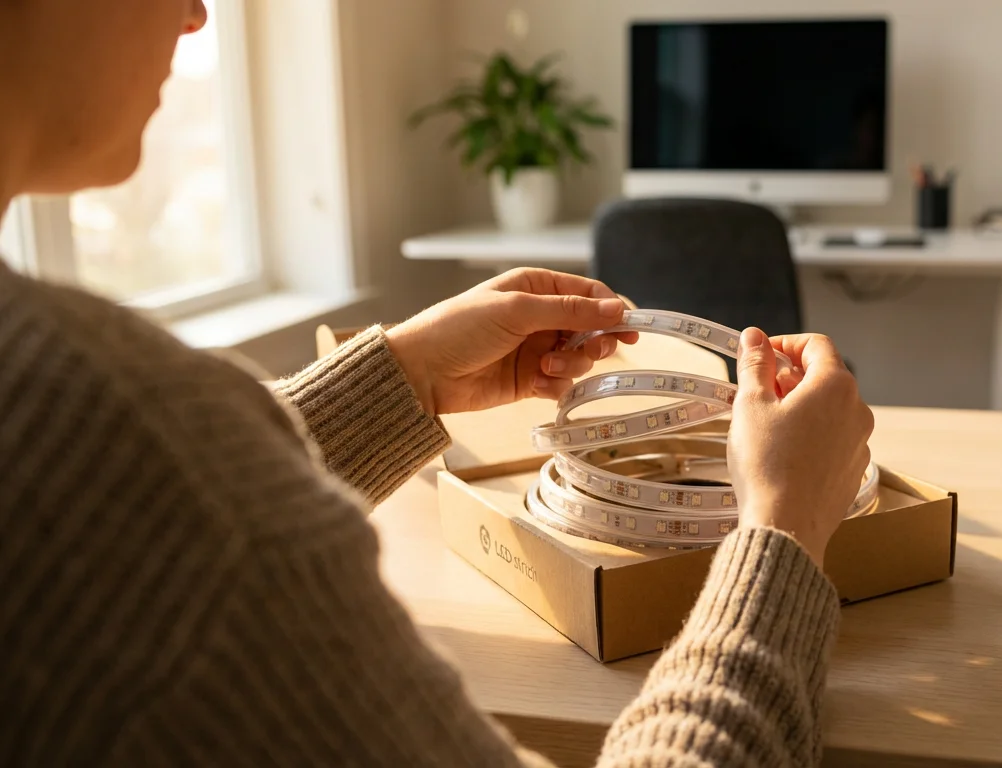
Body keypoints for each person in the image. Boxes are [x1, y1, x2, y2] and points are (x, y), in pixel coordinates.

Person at [0, 1, 874, 765]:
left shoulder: (102, 430)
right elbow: (167, 500)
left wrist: (405, 378)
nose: (196, 14)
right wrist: (784, 533)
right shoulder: (121, 424)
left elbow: (160, 522)